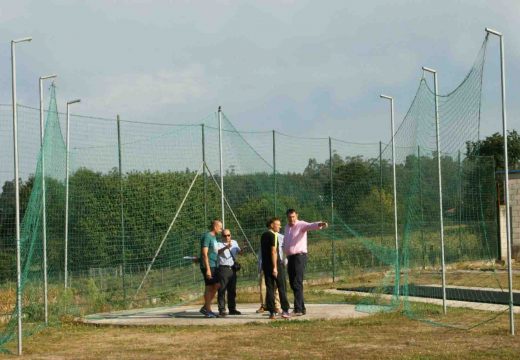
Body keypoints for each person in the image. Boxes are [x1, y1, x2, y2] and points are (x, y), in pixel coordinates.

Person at [284, 208, 327, 316]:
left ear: (297, 216)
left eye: (293, 217)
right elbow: (286, 243)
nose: (291, 219)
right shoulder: (286, 227)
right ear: (287, 217)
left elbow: (310, 225)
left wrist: (320, 224)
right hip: (290, 257)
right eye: (289, 217)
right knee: (293, 283)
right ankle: (302, 308)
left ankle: (298, 309)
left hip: (299, 257)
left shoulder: (300, 224)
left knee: (297, 282)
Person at [261, 217, 290, 320]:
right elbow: (273, 251)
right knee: (281, 287)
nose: (279, 226)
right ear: (272, 225)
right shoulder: (273, 235)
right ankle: (285, 310)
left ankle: (272, 312)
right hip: (275, 265)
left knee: (270, 288)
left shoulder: (263, 235)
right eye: (278, 224)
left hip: (265, 265)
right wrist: (275, 267)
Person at [256, 233, 285, 314]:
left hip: (277, 264)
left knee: (276, 286)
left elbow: (283, 250)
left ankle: (277, 306)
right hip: (265, 265)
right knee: (264, 286)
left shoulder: (281, 237)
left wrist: (284, 261)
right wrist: (260, 265)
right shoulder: (265, 236)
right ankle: (264, 305)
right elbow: (261, 252)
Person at [199, 219, 222, 318]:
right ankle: (208, 310)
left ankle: (205, 307)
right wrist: (208, 269)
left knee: (217, 285)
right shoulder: (207, 237)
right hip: (208, 266)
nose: (221, 229)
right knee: (209, 287)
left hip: (214, 265)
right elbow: (204, 253)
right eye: (220, 227)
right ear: (215, 227)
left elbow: (213, 251)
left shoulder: (214, 237)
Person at [217, 229, 242, 317]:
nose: (227, 237)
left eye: (228, 235)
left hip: (232, 268)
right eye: (225, 235)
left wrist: (242, 250)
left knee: (232, 290)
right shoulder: (218, 244)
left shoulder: (234, 242)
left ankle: (232, 309)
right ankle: (222, 309)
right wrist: (226, 247)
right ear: (222, 236)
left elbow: (239, 252)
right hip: (223, 268)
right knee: (222, 289)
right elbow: (217, 252)